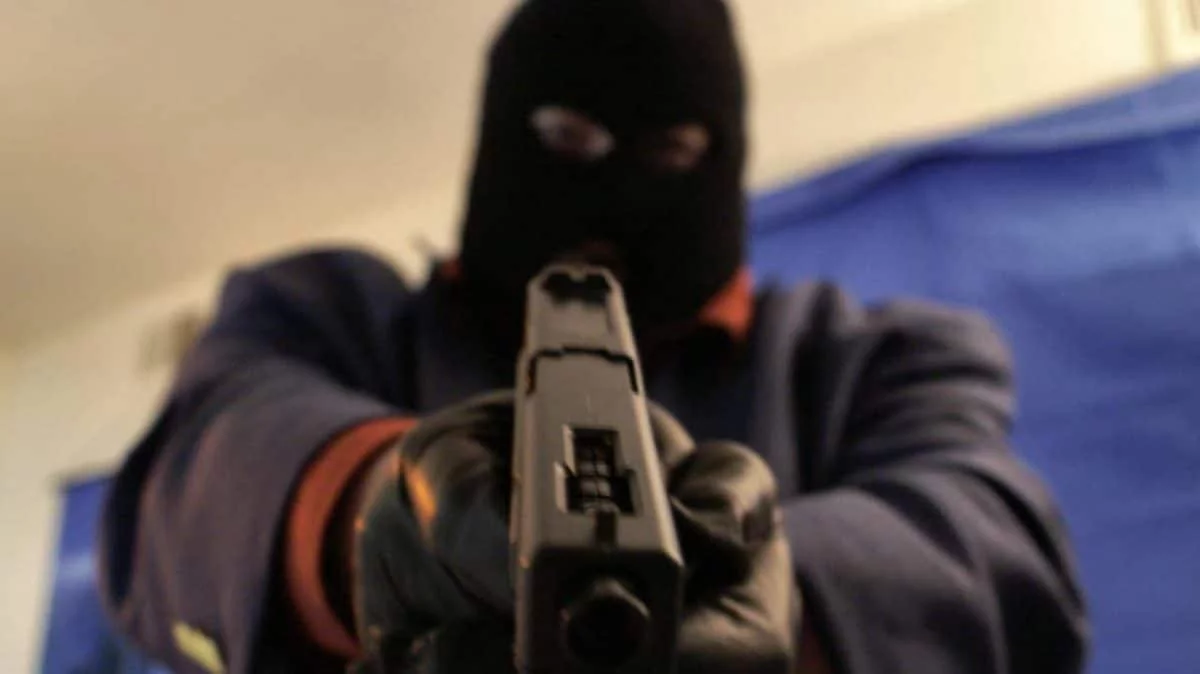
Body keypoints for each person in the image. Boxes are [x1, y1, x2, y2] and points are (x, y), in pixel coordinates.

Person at [98, 0, 1089, 672]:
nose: (613, 188)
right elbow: (190, 480)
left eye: (671, 152)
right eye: (569, 138)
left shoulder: (875, 357)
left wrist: (774, 602)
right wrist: (377, 511)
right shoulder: (330, 310)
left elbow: (999, 555)